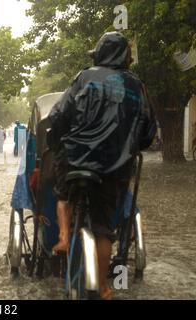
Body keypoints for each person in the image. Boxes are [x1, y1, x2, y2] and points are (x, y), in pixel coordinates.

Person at [47, 32, 157, 299]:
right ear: (125, 58)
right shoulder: (136, 86)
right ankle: (106, 287)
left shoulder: (84, 77)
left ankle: (63, 236)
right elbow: (147, 133)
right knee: (104, 228)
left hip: (75, 160)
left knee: (64, 193)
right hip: (115, 168)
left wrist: (54, 140)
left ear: (99, 54)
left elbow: (58, 116)